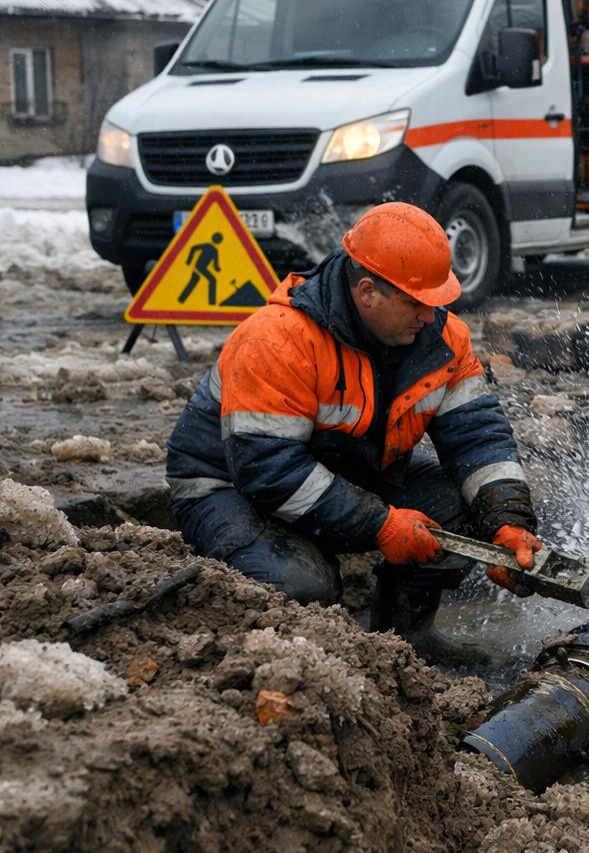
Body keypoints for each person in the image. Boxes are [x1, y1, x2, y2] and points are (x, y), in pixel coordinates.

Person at [165, 202, 539, 664]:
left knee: (463, 510)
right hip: (227, 485)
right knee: (303, 586)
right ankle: (288, 667)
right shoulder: (277, 339)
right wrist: (379, 523)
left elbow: (477, 437)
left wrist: (507, 521)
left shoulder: (445, 340)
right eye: (418, 303)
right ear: (367, 292)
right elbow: (265, 470)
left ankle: (405, 644)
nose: (431, 316)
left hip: (348, 470)